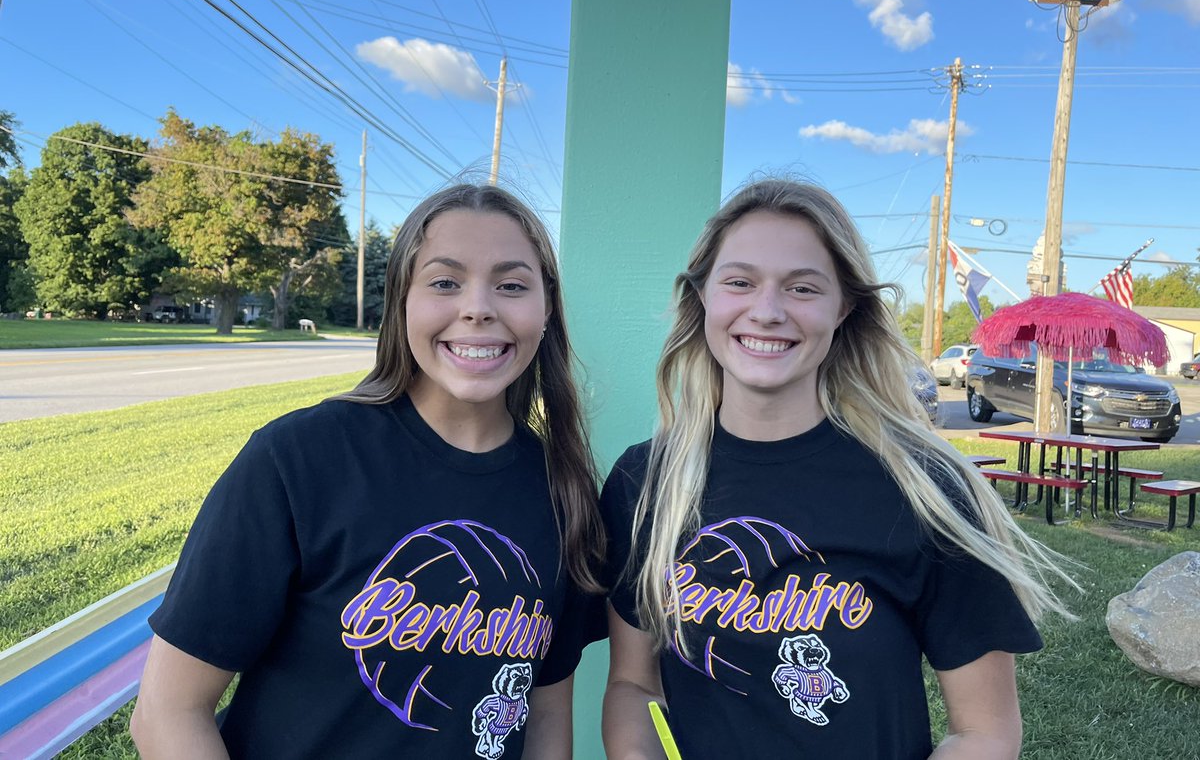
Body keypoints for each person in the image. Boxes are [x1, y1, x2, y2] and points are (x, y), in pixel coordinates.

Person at [601, 179, 1075, 759]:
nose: (767, 311)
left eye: (802, 287)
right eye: (740, 282)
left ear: (844, 305)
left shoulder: (924, 487)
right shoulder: (644, 482)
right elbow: (634, 686)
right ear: (702, 295)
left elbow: (984, 731)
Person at [131, 183, 606, 759]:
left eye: (511, 285)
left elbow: (545, 715)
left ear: (547, 308)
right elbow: (167, 712)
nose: (478, 307)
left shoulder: (564, 491)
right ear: (401, 300)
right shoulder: (297, 461)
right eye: (444, 282)